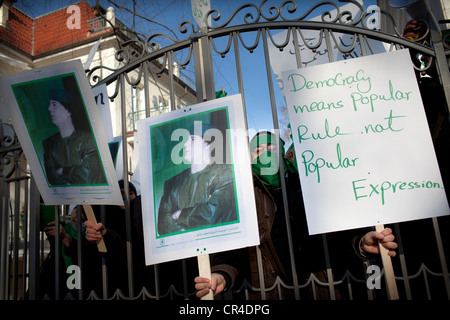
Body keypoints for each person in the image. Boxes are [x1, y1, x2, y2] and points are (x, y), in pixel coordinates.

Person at [195, 131, 397, 299]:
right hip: (272, 292)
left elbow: (336, 232)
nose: (265, 154)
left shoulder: (309, 184)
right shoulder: (239, 195)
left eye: (271, 148)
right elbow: (234, 246)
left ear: (282, 153)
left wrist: (360, 243)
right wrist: (222, 273)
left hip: (324, 288)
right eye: (258, 150)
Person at [157, 123, 238, 235]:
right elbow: (163, 225)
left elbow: (212, 216)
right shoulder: (173, 183)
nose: (185, 144)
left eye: (193, 139)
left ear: (209, 145)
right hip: (186, 252)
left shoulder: (225, 174)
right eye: (186, 140)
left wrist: (178, 214)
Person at [42, 88, 106, 186]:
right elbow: (52, 180)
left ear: (68, 111)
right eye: (50, 104)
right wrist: (76, 171)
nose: (49, 108)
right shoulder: (50, 143)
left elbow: (87, 175)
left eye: (54, 104)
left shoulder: (88, 139)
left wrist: (62, 171)